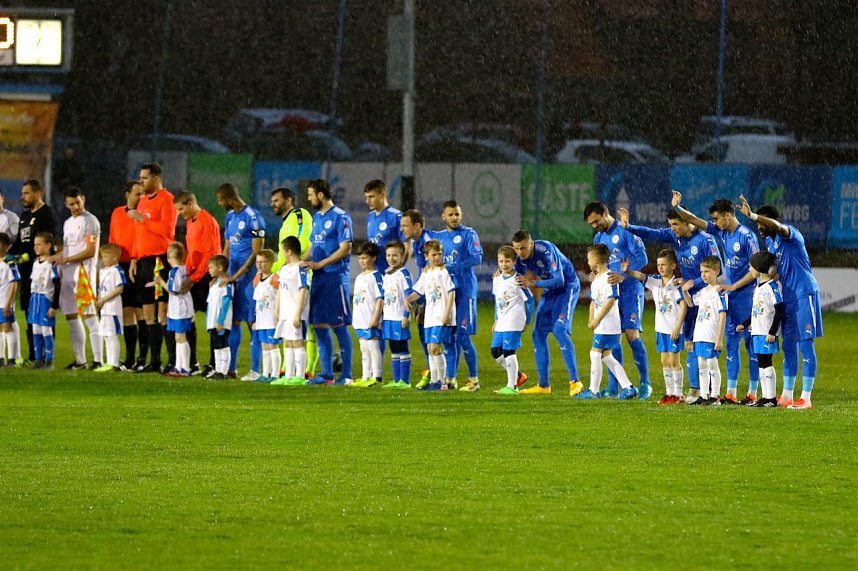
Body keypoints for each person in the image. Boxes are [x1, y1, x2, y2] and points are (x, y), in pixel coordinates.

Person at [618, 205, 722, 402]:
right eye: (671, 225)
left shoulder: (705, 240)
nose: (672, 229)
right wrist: (629, 227)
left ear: (687, 221)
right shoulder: (676, 236)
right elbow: (653, 233)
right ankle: (695, 390)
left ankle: (710, 391)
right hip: (687, 295)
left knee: (704, 344)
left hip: (704, 297)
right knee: (690, 344)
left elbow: (719, 269)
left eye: (675, 224)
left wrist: (693, 283)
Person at [671, 192, 761, 405]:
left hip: (746, 297)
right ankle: (730, 392)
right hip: (730, 296)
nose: (714, 223)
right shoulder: (722, 234)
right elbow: (695, 221)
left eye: (717, 219)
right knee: (731, 345)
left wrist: (734, 286)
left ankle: (753, 392)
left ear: (728, 215)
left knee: (751, 345)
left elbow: (756, 269)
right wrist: (677, 208)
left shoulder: (747, 236)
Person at [738, 195, 821, 410]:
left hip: (804, 293)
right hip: (788, 297)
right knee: (788, 344)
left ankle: (806, 397)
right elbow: (770, 271)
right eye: (757, 224)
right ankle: (787, 395)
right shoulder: (770, 243)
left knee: (806, 344)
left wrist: (753, 215)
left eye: (763, 222)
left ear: (772, 221)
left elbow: (777, 227)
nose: (760, 227)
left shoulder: (790, 234)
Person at [584, 202, 651, 399]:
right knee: (614, 339)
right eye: (591, 224)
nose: (595, 226)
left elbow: (643, 258)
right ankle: (614, 387)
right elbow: (600, 264)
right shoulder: (599, 237)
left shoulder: (625, 231)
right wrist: (595, 273)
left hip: (630, 290)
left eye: (596, 221)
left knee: (631, 334)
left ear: (605, 213)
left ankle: (645, 383)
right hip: (611, 293)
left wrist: (623, 274)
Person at [511, 230, 579, 396]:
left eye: (523, 248)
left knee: (559, 330)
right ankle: (543, 386)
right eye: (517, 249)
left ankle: (575, 381)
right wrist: (502, 274)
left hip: (567, 288)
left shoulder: (545, 249)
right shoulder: (519, 257)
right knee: (538, 334)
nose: (520, 252)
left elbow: (560, 280)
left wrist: (532, 283)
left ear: (531, 243)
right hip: (550, 290)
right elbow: (515, 276)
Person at [303, 179, 354, 385]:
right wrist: (301, 261)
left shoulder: (340, 217)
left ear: (320, 195)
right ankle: (326, 374)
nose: (309, 199)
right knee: (319, 325)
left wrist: (320, 263)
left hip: (335, 277)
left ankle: (347, 375)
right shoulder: (317, 217)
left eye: (310, 195)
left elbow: (346, 248)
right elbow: (313, 245)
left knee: (339, 325)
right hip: (319, 278)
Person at [622, 249, 688, 404]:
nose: (660, 267)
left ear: (673, 265)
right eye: (658, 265)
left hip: (674, 330)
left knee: (674, 361)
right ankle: (669, 393)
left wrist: (678, 327)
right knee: (664, 361)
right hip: (661, 330)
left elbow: (684, 306)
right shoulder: (656, 282)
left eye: (664, 264)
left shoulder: (676, 285)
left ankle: (678, 394)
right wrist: (628, 271)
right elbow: (641, 276)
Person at [129, 163, 177, 373]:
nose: (141, 181)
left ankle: (173, 360)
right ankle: (154, 361)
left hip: (160, 260)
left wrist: (142, 219)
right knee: (148, 311)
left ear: (156, 178)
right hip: (144, 262)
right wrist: (134, 258)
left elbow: (167, 230)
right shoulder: (142, 201)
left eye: (145, 178)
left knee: (163, 312)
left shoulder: (167, 199)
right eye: (140, 178)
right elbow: (138, 234)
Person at [576, 243, 638, 400]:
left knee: (595, 353)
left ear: (596, 260)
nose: (587, 262)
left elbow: (611, 300)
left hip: (608, 324)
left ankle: (593, 391)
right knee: (606, 356)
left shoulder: (610, 277)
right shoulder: (597, 278)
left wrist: (597, 319)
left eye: (589, 259)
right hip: (602, 324)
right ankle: (628, 387)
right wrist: (591, 318)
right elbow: (593, 301)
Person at [217, 183, 265, 380]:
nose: (220, 204)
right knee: (234, 321)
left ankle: (255, 370)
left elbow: (257, 253)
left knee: (253, 322)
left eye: (221, 200)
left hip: (250, 279)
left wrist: (237, 275)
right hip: (233, 278)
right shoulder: (230, 217)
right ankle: (231, 368)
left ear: (229, 199)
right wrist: (221, 273)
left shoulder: (253, 218)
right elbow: (227, 248)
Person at [51, 187, 101, 369]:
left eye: (78, 202)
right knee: (72, 317)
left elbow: (90, 251)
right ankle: (80, 361)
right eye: (71, 204)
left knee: (90, 317)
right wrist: (57, 259)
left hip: (83, 276)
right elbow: (67, 249)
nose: (75, 207)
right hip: (68, 276)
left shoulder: (90, 221)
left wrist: (66, 259)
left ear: (83, 199)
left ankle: (98, 361)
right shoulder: (67, 223)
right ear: (66, 204)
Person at [436, 200, 483, 391]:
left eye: (457, 214)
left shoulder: (469, 234)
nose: (454, 217)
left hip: (465, 292)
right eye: (450, 214)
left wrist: (454, 266)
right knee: (449, 339)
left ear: (461, 215)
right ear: (443, 216)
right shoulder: (438, 237)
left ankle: (474, 380)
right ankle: (450, 379)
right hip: (447, 294)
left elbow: (477, 257)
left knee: (463, 337)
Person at [174, 191, 222, 375]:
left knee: (213, 321)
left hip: (206, 277)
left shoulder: (206, 221)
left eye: (181, 209)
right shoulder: (191, 221)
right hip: (195, 275)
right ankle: (191, 363)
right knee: (187, 317)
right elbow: (193, 252)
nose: (179, 213)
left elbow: (210, 254)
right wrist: (186, 272)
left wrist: (194, 278)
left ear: (190, 204)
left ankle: (215, 364)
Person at [269, 187, 315, 379]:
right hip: (287, 275)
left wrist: (294, 264)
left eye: (277, 200)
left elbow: (303, 241)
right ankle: (289, 370)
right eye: (272, 201)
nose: (273, 204)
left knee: (305, 325)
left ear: (289, 200)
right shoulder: (284, 225)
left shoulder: (299, 214)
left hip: (299, 275)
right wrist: (273, 271)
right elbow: (283, 256)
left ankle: (308, 369)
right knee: (289, 324)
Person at [14, 180, 58, 365]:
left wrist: (28, 256)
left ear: (38, 193)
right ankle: (34, 355)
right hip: (27, 273)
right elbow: (19, 242)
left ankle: (48, 356)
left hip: (41, 270)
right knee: (29, 311)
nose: (22, 197)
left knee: (45, 317)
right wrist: (9, 255)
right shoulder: (24, 215)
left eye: (26, 193)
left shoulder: (46, 214)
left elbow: (47, 243)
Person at [406, 240, 456, 392]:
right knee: (430, 349)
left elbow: (451, 292)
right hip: (430, 317)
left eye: (440, 254)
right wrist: (407, 299)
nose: (437, 257)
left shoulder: (444, 272)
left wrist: (447, 313)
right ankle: (434, 381)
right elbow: (418, 292)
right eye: (434, 255)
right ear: (426, 256)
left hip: (441, 316)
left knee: (435, 347)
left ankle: (442, 382)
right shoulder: (426, 273)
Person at [737, 251, 785, 408]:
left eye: (751, 266)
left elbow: (780, 310)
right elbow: (756, 311)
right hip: (757, 332)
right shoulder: (758, 287)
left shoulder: (772, 287)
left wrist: (772, 331)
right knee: (761, 363)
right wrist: (745, 324)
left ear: (758, 267)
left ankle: (771, 398)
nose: (749, 269)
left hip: (766, 333)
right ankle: (765, 397)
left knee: (766, 362)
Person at [110, 181, 146, 370]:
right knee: (126, 312)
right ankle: (130, 358)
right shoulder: (117, 213)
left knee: (141, 312)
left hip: (138, 264)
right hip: (121, 266)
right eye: (137, 194)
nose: (141, 197)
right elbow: (113, 240)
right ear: (127, 194)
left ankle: (143, 358)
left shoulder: (143, 215)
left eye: (143, 194)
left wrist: (135, 258)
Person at [682, 256, 728, 405]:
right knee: (701, 364)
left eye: (707, 271)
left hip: (711, 335)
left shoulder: (720, 292)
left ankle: (715, 396)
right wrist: (685, 292)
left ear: (716, 271)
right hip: (699, 335)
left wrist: (719, 339)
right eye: (702, 272)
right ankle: (704, 395)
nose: (703, 275)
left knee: (712, 365)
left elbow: (722, 315)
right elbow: (690, 304)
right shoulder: (703, 291)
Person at [492, 245, 534, 396]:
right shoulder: (497, 279)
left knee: (508, 351)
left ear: (514, 262)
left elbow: (529, 300)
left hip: (514, 320)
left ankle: (512, 387)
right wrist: (496, 319)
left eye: (507, 261)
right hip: (501, 321)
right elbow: (497, 300)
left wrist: (527, 321)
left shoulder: (517, 280)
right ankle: (518, 376)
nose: (504, 265)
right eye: (501, 261)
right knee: (496, 352)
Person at [399, 209, 433, 386]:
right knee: (423, 330)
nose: (402, 229)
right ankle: (432, 371)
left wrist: (420, 298)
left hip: (432, 294)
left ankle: (438, 374)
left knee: (432, 335)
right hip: (424, 292)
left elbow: (430, 273)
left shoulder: (426, 242)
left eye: (405, 225)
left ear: (417, 226)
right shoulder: (417, 241)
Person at [271, 236, 311, 386]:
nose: (282, 253)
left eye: (283, 250)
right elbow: (280, 290)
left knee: (297, 342)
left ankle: (300, 376)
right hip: (285, 313)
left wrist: (298, 314)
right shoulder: (284, 269)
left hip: (295, 312)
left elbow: (303, 290)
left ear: (289, 251)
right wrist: (277, 309)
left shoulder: (301, 268)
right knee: (287, 342)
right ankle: (288, 375)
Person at [151, 242, 195, 377]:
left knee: (181, 337)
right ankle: (178, 366)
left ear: (170, 257)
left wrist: (160, 281)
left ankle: (185, 368)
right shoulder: (185, 269)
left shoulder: (174, 271)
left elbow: (173, 290)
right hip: (182, 307)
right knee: (178, 337)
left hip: (180, 309)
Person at [380, 240, 414, 389]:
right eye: (388, 255)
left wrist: (406, 315)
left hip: (399, 317)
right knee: (393, 347)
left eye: (395, 255)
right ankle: (396, 380)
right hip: (388, 317)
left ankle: (405, 381)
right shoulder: (387, 274)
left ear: (402, 256)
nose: (391, 258)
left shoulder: (403, 273)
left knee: (402, 346)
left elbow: (408, 295)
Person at [351, 242, 384, 388]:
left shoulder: (376, 276)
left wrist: (375, 318)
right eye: (360, 258)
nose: (361, 261)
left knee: (373, 346)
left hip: (370, 318)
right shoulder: (359, 277)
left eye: (364, 258)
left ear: (373, 258)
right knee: (364, 348)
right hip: (360, 319)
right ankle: (366, 376)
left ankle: (377, 376)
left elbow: (380, 298)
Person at [27, 232, 60, 368]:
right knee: (35, 329)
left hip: (45, 299)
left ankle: (49, 360)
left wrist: (54, 306)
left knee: (46, 330)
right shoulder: (36, 263)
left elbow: (57, 285)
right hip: (35, 298)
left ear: (48, 245)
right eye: (35, 245)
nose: (36, 247)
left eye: (39, 244)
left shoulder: (51, 264)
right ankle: (38, 359)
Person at [94, 244, 126, 372]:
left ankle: (114, 363)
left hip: (113, 308)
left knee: (112, 335)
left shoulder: (116, 270)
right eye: (102, 256)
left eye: (106, 256)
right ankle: (108, 362)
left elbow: (119, 289)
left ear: (115, 257)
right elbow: (101, 289)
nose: (104, 259)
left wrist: (103, 300)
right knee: (106, 335)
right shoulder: (103, 271)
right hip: (104, 309)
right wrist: (98, 301)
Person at [252, 249, 280, 382]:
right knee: (264, 345)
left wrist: (278, 313)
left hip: (271, 318)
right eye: (258, 262)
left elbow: (280, 296)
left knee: (273, 345)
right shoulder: (257, 279)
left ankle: (275, 374)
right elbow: (257, 300)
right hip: (261, 318)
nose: (260, 264)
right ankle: (265, 373)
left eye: (263, 262)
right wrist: (255, 319)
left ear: (271, 263)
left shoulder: (275, 278)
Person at [205, 255, 234, 380]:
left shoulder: (226, 284)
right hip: (213, 322)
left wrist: (220, 320)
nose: (209, 270)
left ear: (220, 268)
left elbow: (226, 302)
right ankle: (218, 369)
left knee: (223, 344)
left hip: (221, 322)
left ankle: (224, 370)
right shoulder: (214, 285)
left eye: (211, 267)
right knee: (216, 346)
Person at [364, 179, 402, 272]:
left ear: (382, 195)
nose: (367, 201)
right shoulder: (370, 216)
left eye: (371, 197)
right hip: (374, 272)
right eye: (366, 197)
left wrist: (396, 268)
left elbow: (408, 245)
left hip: (391, 273)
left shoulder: (396, 216)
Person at [0, 233, 20, 365]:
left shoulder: (10, 261)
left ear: (6, 246)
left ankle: (12, 360)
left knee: (7, 328)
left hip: (4, 301)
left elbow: (14, 283)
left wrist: (8, 303)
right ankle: (1, 359)